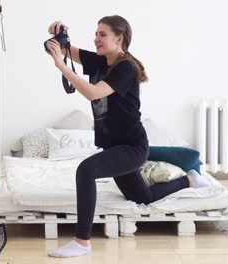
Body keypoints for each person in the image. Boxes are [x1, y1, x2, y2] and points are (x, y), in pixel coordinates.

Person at [44, 15, 213, 258]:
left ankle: (82, 242)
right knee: (141, 197)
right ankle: (190, 180)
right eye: (96, 34)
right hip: (113, 147)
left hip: (132, 148)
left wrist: (61, 65)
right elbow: (66, 49)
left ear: (119, 38)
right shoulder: (99, 62)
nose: (96, 39)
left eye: (102, 34)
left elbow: (93, 93)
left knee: (86, 170)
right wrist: (58, 33)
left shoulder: (126, 67)